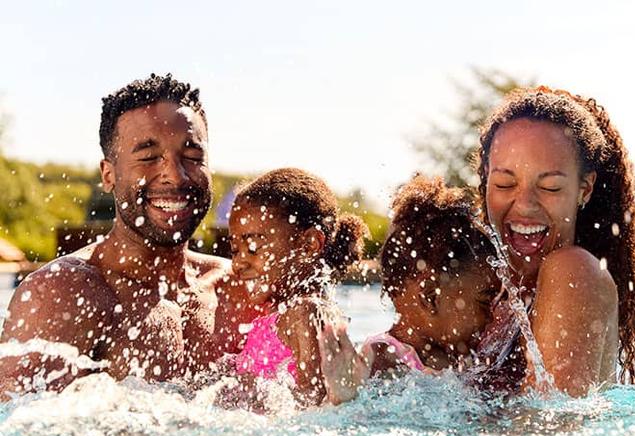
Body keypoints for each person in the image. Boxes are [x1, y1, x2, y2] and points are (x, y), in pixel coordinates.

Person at [0, 74, 252, 397]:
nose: (175, 174)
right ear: (108, 174)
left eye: (192, 156)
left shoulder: (239, 288)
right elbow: (21, 433)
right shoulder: (63, 294)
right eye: (148, 157)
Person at [477, 86, 635, 396]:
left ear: (584, 190)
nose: (525, 205)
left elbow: (550, 428)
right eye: (505, 184)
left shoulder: (573, 272)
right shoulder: (492, 289)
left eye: (550, 187)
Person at [319, 175, 514, 403]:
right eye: (484, 301)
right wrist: (345, 398)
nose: (492, 315)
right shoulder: (383, 359)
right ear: (430, 297)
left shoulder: (461, 359)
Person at [226, 167, 368, 406]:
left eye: (252, 248)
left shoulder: (305, 313)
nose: (238, 263)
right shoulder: (286, 312)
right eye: (234, 250)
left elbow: (311, 403)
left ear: (309, 244)